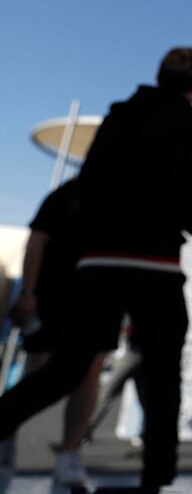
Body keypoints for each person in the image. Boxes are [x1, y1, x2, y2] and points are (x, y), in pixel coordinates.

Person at [0, 47, 192, 489]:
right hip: (154, 262)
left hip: (98, 263)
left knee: (68, 366)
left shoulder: (118, 116)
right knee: (163, 374)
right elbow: (185, 191)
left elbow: (91, 183)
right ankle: (156, 476)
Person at [6, 180, 108, 486]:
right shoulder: (68, 194)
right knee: (38, 369)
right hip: (53, 297)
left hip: (98, 300)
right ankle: (5, 438)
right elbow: (36, 240)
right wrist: (28, 291)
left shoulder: (128, 196)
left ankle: (69, 453)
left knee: (90, 371)